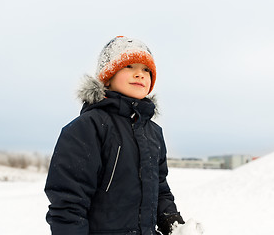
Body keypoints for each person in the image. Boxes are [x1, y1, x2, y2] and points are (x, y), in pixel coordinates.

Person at [45, 36, 185, 235]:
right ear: (107, 77)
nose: (140, 74)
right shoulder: (88, 127)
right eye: (129, 66)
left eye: (146, 70)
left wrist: (174, 224)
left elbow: (160, 189)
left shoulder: (153, 133)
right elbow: (69, 202)